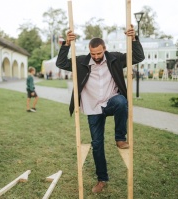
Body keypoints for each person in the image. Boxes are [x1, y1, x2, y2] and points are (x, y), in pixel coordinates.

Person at [56, 25, 145, 193]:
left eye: (99, 53)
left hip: (111, 102)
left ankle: (120, 138)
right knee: (97, 145)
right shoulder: (81, 61)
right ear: (89, 51)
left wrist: (134, 39)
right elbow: (61, 63)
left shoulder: (115, 59)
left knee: (121, 101)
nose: (96, 56)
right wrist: (66, 43)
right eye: (93, 53)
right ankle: (102, 179)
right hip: (92, 108)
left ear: (105, 49)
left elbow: (139, 57)